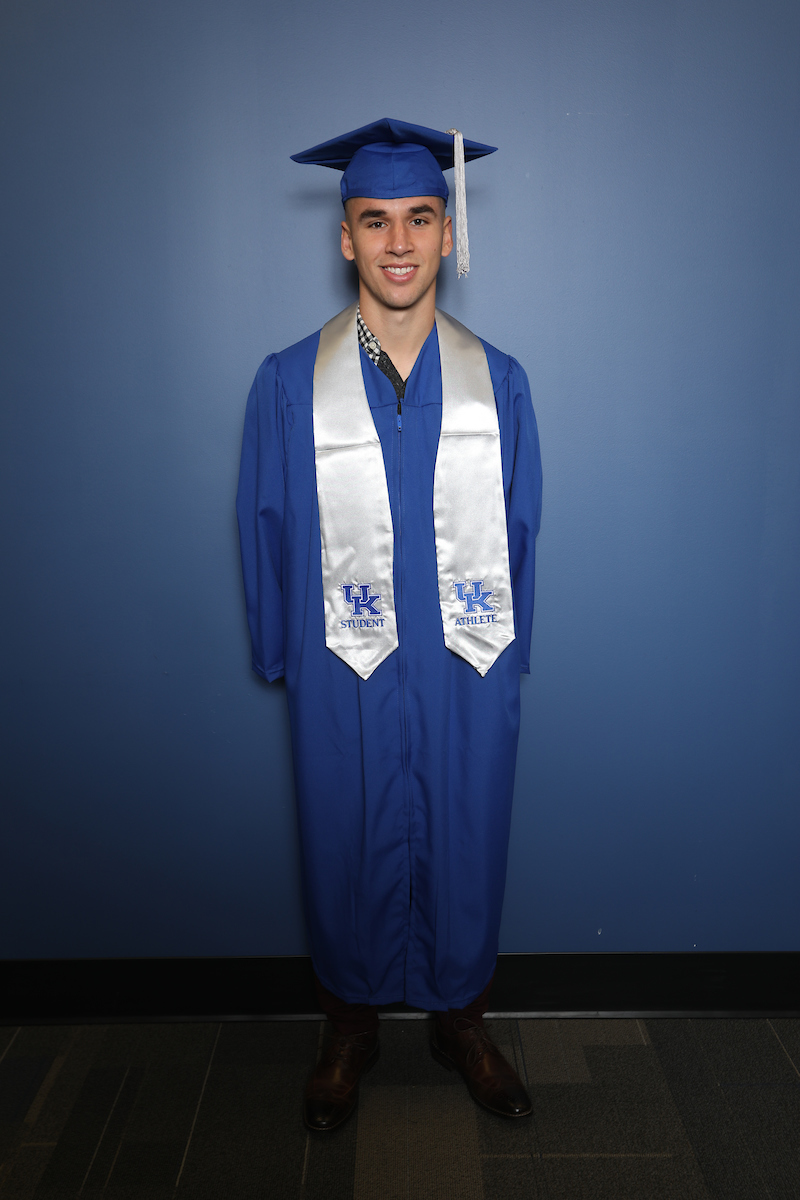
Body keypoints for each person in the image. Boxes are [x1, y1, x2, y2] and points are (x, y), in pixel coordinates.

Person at [236, 118, 542, 1131]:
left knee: (468, 833)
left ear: (448, 233)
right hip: (343, 658)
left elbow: (522, 525)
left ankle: (463, 1020)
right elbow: (261, 521)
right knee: (342, 835)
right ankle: (349, 1026)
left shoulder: (498, 381)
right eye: (375, 221)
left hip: (466, 659)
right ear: (345, 239)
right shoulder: (289, 382)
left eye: (419, 218)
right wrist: (280, 650)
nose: (399, 242)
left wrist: (507, 652)